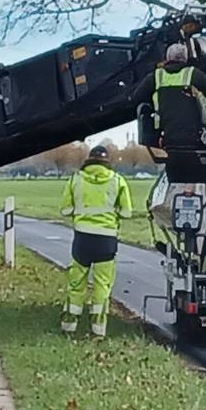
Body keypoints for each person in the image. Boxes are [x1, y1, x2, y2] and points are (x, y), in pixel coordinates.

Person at [59, 145, 133, 339]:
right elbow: (127, 212)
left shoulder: (76, 179)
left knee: (76, 283)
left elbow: (65, 210)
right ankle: (98, 329)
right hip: (106, 241)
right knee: (102, 285)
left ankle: (69, 325)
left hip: (82, 239)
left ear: (88, 160)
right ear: (107, 161)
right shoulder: (118, 181)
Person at [132, 42, 206, 148]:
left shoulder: (155, 76)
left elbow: (136, 98)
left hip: (166, 138)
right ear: (185, 58)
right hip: (195, 139)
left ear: (168, 58)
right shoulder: (194, 74)